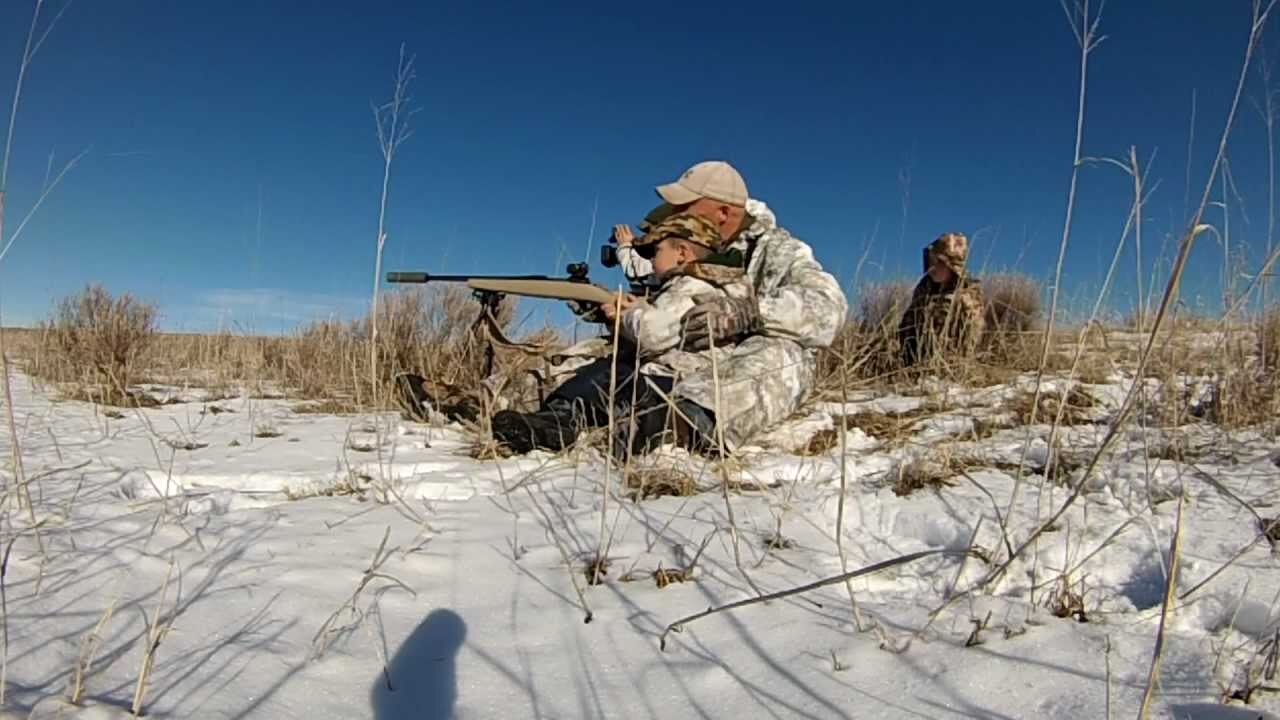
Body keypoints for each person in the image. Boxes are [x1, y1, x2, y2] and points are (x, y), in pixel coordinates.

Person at [493, 159, 848, 455]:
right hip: (672, 360)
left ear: (723, 212)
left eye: (686, 207)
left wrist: (746, 313)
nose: (673, 214)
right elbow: (663, 313)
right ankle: (556, 416)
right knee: (603, 362)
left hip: (735, 366)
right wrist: (611, 313)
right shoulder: (685, 248)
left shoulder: (776, 249)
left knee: (785, 352)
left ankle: (680, 425)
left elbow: (828, 310)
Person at [490, 212, 749, 456]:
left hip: (677, 386)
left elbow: (652, 334)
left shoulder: (693, 285)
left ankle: (557, 423)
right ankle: (557, 419)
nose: (651, 261)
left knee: (610, 373)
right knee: (608, 373)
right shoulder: (705, 285)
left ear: (682, 253)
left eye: (655, 251)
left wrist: (625, 314)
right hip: (674, 383)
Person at [896, 231, 985, 367]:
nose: (932, 267)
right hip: (918, 364)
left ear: (951, 266)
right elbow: (907, 326)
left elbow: (973, 334)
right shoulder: (924, 288)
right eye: (931, 261)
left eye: (938, 262)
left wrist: (957, 363)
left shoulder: (968, 292)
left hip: (953, 366)